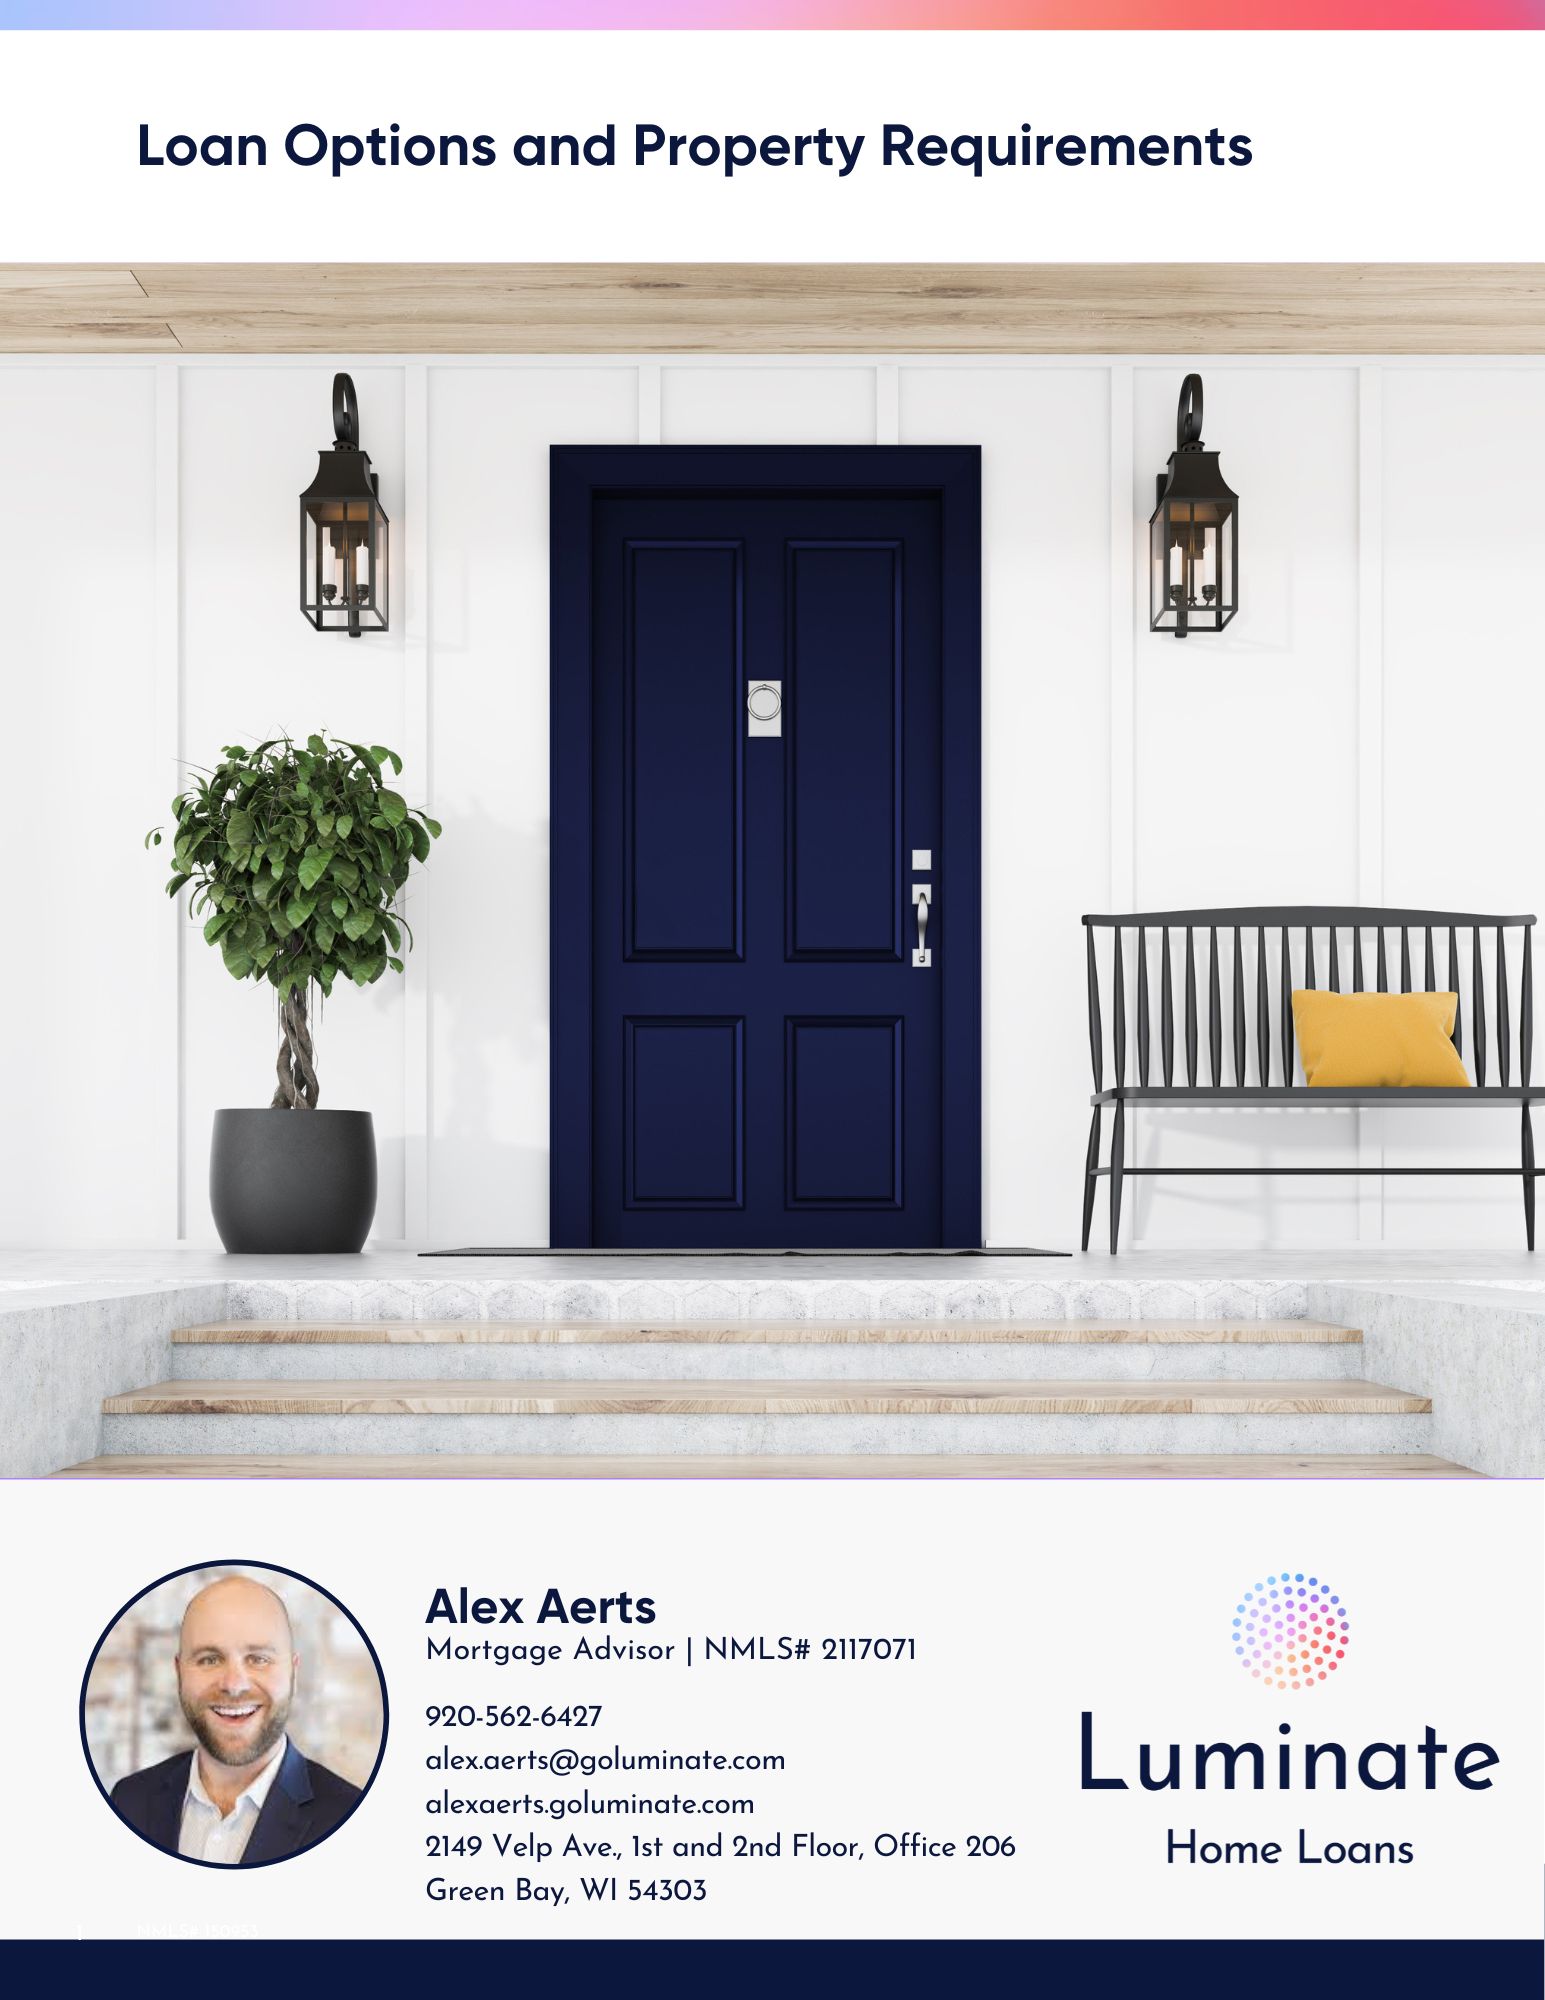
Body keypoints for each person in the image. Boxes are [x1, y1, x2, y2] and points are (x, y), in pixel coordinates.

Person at [108, 1574, 363, 1865]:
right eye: (209, 1659)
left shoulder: (349, 1816)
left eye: (258, 1659)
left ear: (294, 1673)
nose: (233, 1684)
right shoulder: (129, 1800)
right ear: (179, 1673)